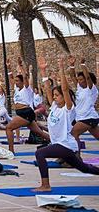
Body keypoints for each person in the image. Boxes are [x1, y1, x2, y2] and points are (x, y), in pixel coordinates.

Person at [32, 56, 99, 191]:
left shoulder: (68, 109)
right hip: (62, 145)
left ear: (64, 96)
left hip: (66, 145)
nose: (55, 97)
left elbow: (64, 89)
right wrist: (43, 72)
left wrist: (62, 69)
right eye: (54, 96)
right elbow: (47, 88)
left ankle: (46, 185)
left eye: (57, 95)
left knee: (40, 154)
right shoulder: (55, 107)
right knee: (84, 168)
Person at [5, 58, 50, 152]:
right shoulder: (16, 88)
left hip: (26, 112)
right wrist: (8, 68)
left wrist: (21, 66)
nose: (16, 82)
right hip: (23, 113)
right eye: (16, 81)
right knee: (39, 132)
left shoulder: (27, 88)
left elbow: (25, 77)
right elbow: (10, 78)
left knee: (8, 128)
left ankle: (11, 150)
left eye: (18, 81)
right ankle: (58, 143)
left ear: (22, 82)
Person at [68, 58, 99, 146]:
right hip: (84, 118)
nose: (79, 81)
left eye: (81, 79)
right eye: (79, 80)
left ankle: (76, 157)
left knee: (73, 134)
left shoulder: (92, 89)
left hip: (88, 118)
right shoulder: (79, 88)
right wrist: (72, 65)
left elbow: (88, 77)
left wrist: (82, 65)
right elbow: (72, 76)